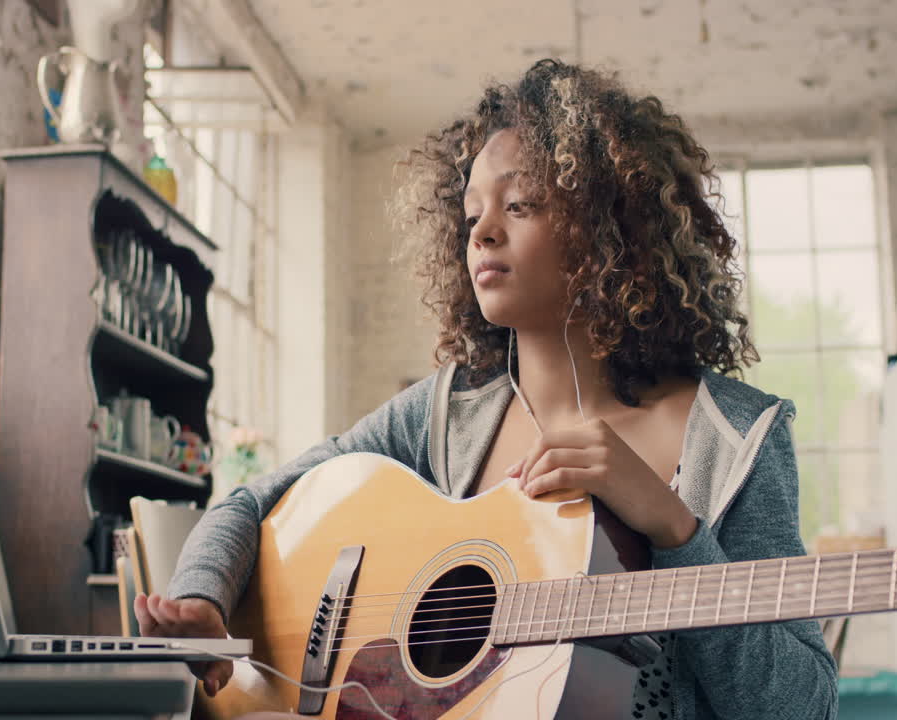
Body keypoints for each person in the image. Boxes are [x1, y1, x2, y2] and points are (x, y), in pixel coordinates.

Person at [134, 59, 838, 720]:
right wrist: (203, 596)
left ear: (610, 227)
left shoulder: (738, 436)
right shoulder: (442, 416)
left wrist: (673, 526)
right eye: (472, 217)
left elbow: (802, 703)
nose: (483, 234)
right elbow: (258, 501)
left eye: (521, 204)